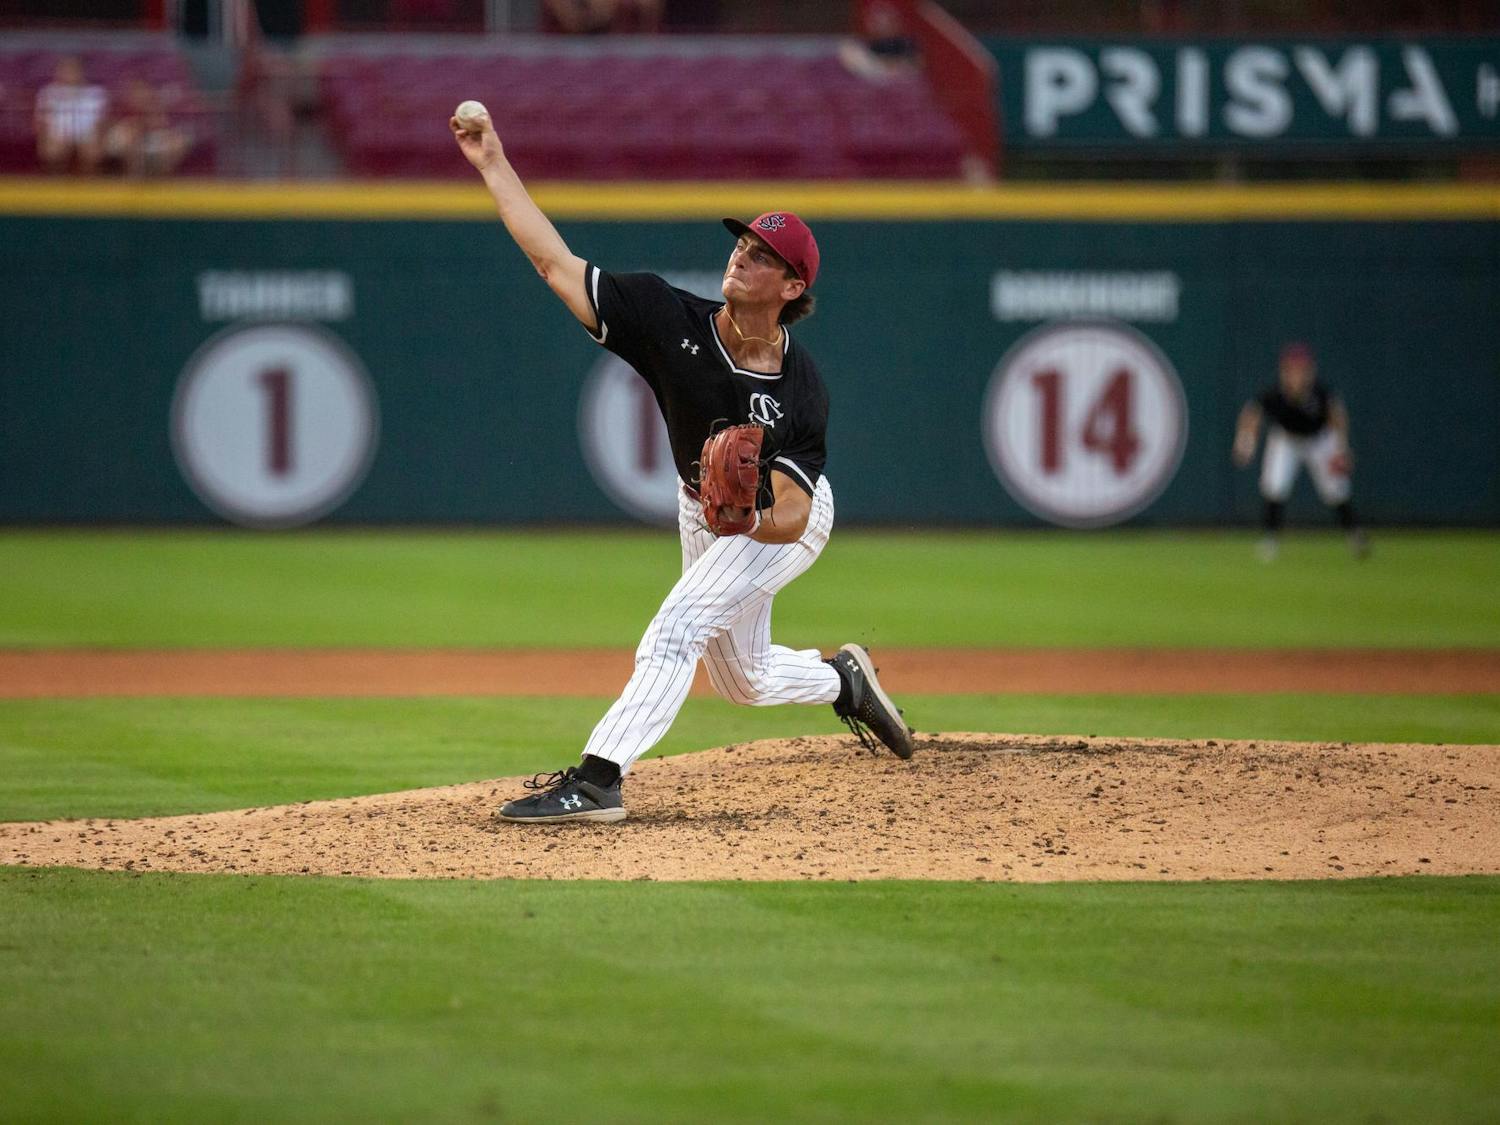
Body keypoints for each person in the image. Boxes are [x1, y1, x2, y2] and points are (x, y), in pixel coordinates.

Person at [451, 108, 914, 824]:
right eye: (743, 243)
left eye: (763, 255)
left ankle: (599, 779)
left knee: (676, 627)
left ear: (793, 288)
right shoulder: (668, 318)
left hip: (782, 519)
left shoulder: (801, 388)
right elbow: (554, 263)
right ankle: (841, 681)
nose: (742, 255)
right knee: (744, 679)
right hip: (703, 502)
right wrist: (491, 163)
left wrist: (748, 515)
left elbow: (791, 513)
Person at [1233, 341, 1369, 561]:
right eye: (1292, 370)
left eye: (1302, 370)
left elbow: (1338, 415)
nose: (1297, 376)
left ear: (1310, 371)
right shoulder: (1275, 394)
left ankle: (1355, 535)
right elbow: (1251, 414)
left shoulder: (1320, 392)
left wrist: (1341, 447)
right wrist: (1245, 441)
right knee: (1274, 485)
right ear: (1284, 372)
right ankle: (1270, 541)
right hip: (1286, 439)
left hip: (1319, 439)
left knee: (1335, 490)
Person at [104, 79, 191, 178]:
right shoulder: (124, 108)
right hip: (132, 142)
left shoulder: (156, 106)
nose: (141, 95)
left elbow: (164, 128)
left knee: (176, 142)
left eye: (143, 91)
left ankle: (161, 181)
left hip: (154, 144)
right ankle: (133, 180)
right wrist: (138, 126)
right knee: (129, 137)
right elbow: (119, 128)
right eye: (136, 92)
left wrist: (153, 126)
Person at [34, 57, 108, 175]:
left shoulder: (95, 93)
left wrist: (98, 137)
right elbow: (41, 121)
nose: (69, 74)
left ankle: (89, 186)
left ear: (81, 72)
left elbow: (102, 122)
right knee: (52, 148)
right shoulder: (48, 92)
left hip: (87, 135)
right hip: (57, 134)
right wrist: (45, 136)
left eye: (73, 71)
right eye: (65, 71)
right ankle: (54, 184)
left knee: (92, 149)